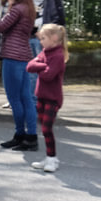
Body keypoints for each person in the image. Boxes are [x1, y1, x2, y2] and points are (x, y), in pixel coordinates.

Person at [0, 0, 38, 152]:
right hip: (24, 56)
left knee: (15, 99)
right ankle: (30, 137)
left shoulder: (17, 9)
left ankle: (20, 134)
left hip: (12, 57)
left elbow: (0, 27)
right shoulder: (28, 8)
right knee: (26, 98)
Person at [26, 23, 68, 173]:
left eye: (43, 38)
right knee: (43, 129)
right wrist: (44, 65)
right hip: (41, 96)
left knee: (46, 128)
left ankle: (52, 159)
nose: (41, 41)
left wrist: (41, 66)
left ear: (54, 38)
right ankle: (49, 157)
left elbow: (49, 76)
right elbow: (30, 66)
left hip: (52, 98)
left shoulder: (57, 56)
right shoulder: (45, 52)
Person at [29, 0, 66, 100]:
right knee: (32, 71)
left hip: (46, 40)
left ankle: (45, 99)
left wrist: (46, 33)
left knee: (47, 71)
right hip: (33, 37)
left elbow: (59, 19)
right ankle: (34, 99)